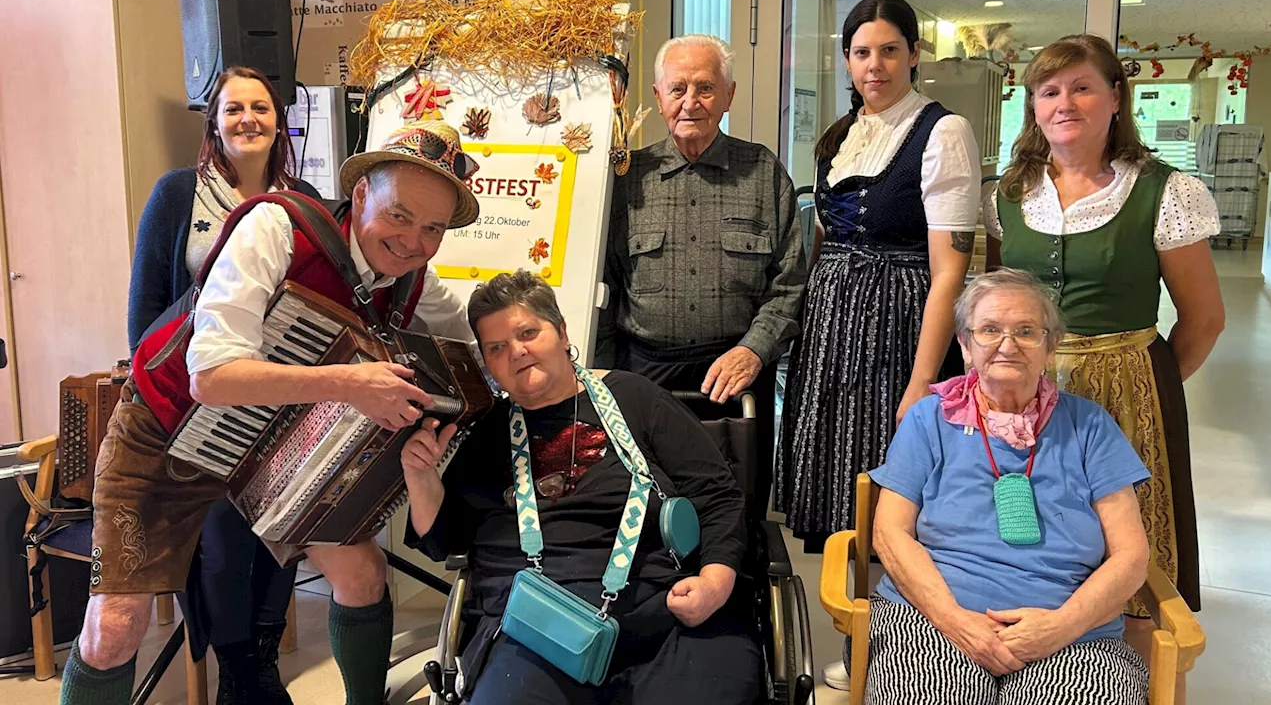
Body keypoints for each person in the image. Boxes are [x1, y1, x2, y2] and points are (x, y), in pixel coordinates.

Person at [60, 120, 478, 705]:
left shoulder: (411, 281)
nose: (413, 243)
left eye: (433, 228)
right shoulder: (275, 227)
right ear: (361, 195)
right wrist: (348, 383)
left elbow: (472, 341)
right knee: (116, 625)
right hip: (166, 430)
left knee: (362, 576)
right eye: (400, 215)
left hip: (272, 445)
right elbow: (210, 376)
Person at [405, 270, 760, 704]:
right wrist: (420, 476)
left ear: (561, 331)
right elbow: (445, 539)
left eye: (527, 333)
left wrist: (715, 582)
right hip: (533, 625)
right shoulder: (488, 432)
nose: (516, 352)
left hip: (660, 609)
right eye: (496, 348)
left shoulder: (635, 397)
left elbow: (718, 495)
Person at [985, 35, 1225, 636]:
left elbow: (1204, 318)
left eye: (1082, 87)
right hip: (1025, 387)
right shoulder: (1008, 195)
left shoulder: (1164, 191)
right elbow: (1000, 296)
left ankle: (1138, 671)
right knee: (1033, 520)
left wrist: (1152, 384)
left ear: (1116, 97)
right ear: (1034, 108)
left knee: (1135, 535)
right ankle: (1042, 653)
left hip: (1128, 389)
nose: (1065, 103)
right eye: (1049, 91)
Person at [866, 269, 1151, 704]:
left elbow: (1131, 555)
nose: (1007, 343)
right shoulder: (928, 420)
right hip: (932, 621)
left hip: (1070, 636)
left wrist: (1062, 626)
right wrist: (957, 622)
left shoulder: (1091, 425)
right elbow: (889, 533)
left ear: (1051, 345)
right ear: (964, 344)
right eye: (990, 329)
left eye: (1026, 331)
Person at [126, 65, 319, 704]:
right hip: (196, 397)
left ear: (279, 120)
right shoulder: (178, 194)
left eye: (260, 108)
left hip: (280, 394)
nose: (248, 120)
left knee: (280, 524)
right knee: (223, 531)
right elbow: (144, 314)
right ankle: (240, 667)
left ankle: (259, 660)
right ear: (214, 121)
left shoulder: (304, 201)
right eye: (233, 109)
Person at [776, 0, 978, 563]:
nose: (876, 65)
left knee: (894, 476)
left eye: (890, 51)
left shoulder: (943, 132)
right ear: (847, 59)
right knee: (836, 476)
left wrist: (921, 383)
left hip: (902, 323)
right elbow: (821, 239)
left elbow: (949, 275)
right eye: (862, 52)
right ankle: (852, 615)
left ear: (915, 53)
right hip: (832, 327)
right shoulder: (839, 137)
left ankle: (898, 626)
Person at [596, 34, 807, 519]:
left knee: (735, 509)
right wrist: (605, 377)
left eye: (706, 88)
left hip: (736, 374)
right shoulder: (628, 178)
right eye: (678, 89)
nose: (691, 102)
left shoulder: (764, 174)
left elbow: (790, 282)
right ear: (658, 96)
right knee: (648, 506)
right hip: (645, 374)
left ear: (729, 96)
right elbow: (604, 288)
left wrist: (754, 349)